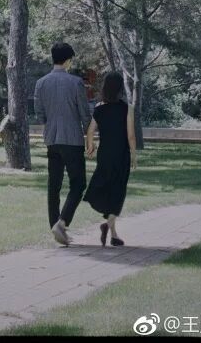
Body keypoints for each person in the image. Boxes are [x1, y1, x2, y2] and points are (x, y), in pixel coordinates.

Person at [33, 42, 91, 246]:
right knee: (78, 183)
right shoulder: (75, 83)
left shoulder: (41, 83)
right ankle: (62, 223)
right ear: (68, 60)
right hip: (72, 140)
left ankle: (55, 226)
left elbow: (39, 113)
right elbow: (84, 113)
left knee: (54, 184)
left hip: (52, 139)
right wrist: (90, 137)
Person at [84, 70, 137, 246]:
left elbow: (90, 131)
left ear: (105, 88)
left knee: (106, 188)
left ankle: (113, 234)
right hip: (121, 155)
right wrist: (134, 155)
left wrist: (90, 146)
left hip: (105, 155)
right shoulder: (127, 109)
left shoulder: (99, 108)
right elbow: (131, 136)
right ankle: (108, 226)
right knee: (118, 191)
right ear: (120, 88)